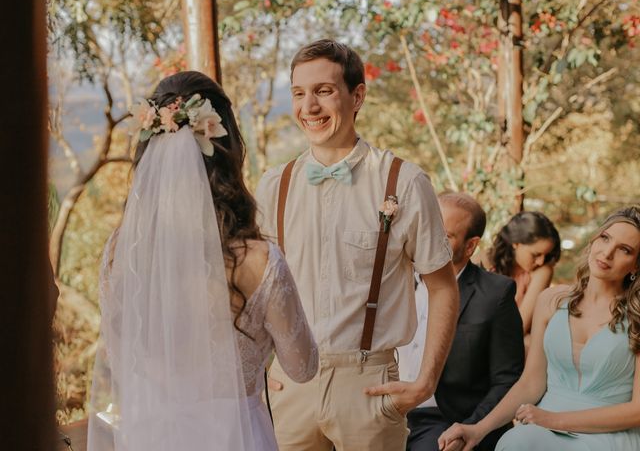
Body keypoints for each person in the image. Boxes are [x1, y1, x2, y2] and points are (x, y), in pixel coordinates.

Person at [87, 71, 318, 451]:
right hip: (235, 439)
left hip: (151, 437)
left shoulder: (121, 250)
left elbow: (116, 354)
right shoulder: (259, 260)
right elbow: (303, 368)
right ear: (228, 151)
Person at [256, 38, 459, 451]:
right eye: (299, 93)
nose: (309, 107)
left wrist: (425, 381)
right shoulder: (274, 185)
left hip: (369, 387)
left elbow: (443, 286)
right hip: (288, 387)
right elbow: (259, 289)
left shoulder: (403, 181)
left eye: (324, 91)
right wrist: (258, 369)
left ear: (357, 96)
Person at [439, 206, 640, 451]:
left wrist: (553, 419)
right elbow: (530, 384)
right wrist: (477, 429)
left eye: (624, 250)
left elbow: (637, 410)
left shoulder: (636, 316)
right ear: (595, 239)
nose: (607, 253)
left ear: (636, 266)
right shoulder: (551, 301)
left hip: (608, 435)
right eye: (605, 238)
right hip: (541, 430)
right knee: (515, 442)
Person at [400, 192, 524, 451]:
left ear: (470, 246)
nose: (429, 240)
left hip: (445, 418)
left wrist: (470, 428)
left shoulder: (495, 294)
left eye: (444, 235)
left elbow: (507, 378)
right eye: (428, 228)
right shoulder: (394, 279)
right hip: (382, 410)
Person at [482, 211, 561, 345]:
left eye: (545, 255)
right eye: (536, 254)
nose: (541, 261)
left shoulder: (541, 271)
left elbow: (520, 326)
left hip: (509, 339)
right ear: (516, 243)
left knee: (528, 343)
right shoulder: (484, 260)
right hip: (477, 334)